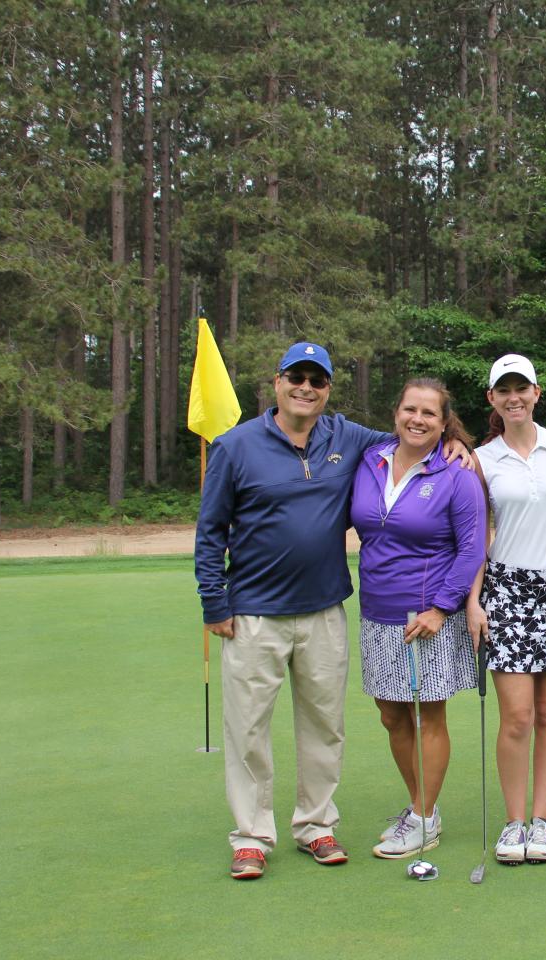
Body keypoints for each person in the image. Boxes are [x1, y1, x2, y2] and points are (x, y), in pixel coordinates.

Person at [195, 342, 383, 880]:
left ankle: (316, 826)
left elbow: (411, 441)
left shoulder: (345, 437)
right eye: (296, 377)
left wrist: (458, 448)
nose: (306, 387)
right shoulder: (236, 446)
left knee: (325, 723)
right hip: (253, 612)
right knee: (248, 727)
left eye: (316, 380)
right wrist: (214, 601)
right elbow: (210, 533)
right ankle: (251, 835)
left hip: (324, 608)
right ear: (276, 382)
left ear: (327, 389)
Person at [351, 378, 487, 859]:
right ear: (396, 412)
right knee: (391, 713)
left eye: (430, 414)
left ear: (444, 422)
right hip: (377, 609)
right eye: (411, 409)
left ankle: (426, 817)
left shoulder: (456, 473)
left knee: (429, 714)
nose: (418, 419)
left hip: (428, 613)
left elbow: (472, 547)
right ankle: (418, 806)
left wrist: (441, 608)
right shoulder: (370, 460)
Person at [468, 354, 546, 865]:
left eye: (522, 387)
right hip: (506, 589)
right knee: (516, 716)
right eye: (503, 389)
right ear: (492, 399)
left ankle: (542, 819)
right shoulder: (479, 458)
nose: (514, 396)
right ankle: (514, 823)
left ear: (537, 392)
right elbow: (474, 535)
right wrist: (472, 601)